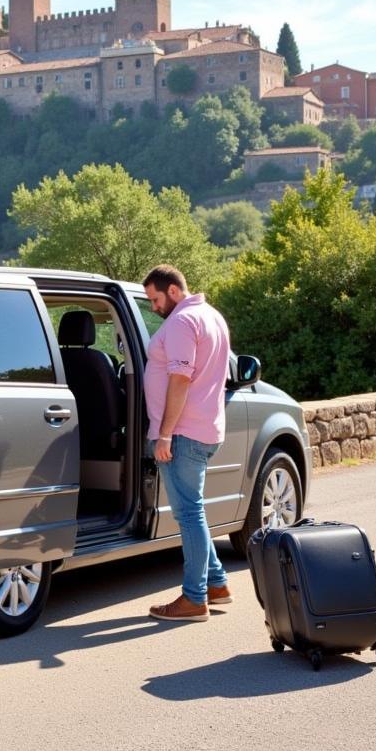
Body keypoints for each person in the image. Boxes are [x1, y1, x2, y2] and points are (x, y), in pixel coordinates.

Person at [142, 264, 233, 622]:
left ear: (174, 291)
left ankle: (194, 600)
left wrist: (164, 433)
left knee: (189, 513)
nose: (153, 307)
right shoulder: (212, 316)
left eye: (155, 298)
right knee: (194, 510)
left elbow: (179, 379)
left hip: (182, 433)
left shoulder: (181, 322)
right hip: (204, 428)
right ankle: (216, 583)